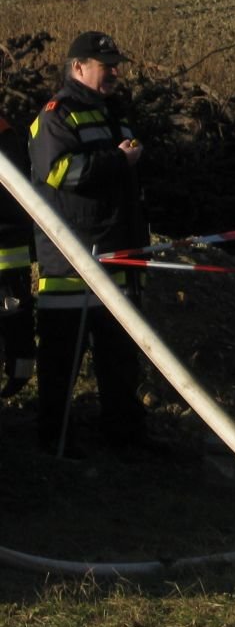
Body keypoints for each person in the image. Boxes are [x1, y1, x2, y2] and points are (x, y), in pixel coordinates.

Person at [28, 30, 153, 460]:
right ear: (78, 67)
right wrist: (119, 159)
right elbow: (61, 172)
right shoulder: (56, 116)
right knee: (62, 360)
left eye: (116, 66)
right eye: (106, 66)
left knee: (120, 358)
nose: (115, 73)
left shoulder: (113, 112)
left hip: (118, 257)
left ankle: (125, 437)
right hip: (72, 263)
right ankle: (55, 442)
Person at [0, 112, 36, 399]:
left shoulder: (3, 134)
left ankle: (19, 372)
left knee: (14, 317)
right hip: (11, 247)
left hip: (7, 247)